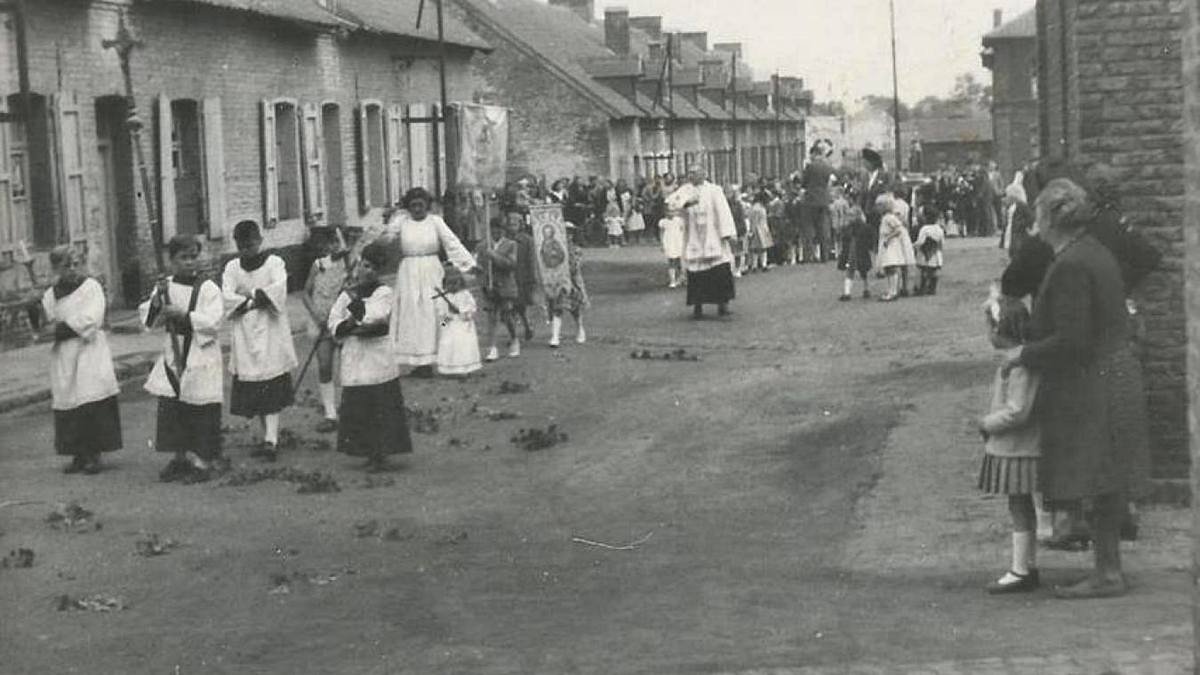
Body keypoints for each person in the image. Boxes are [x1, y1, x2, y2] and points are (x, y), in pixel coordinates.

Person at [1000, 178, 1150, 599]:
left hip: (1093, 382)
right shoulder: (1093, 252)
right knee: (1108, 478)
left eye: (1038, 216)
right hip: (1114, 373)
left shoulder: (1069, 264)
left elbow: (1073, 340)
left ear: (1051, 219)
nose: (1035, 226)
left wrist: (1022, 353)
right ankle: (1108, 569)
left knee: (1099, 477)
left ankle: (1107, 574)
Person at [142, 235, 224, 483]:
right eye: (183, 258)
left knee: (201, 406)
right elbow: (150, 321)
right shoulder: (165, 286)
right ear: (171, 260)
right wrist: (158, 301)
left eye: (193, 257)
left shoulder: (207, 288)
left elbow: (213, 322)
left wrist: (184, 315)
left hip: (200, 352)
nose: (189, 262)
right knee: (173, 405)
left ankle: (202, 461)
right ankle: (180, 457)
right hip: (173, 350)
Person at [977, 284, 1042, 594]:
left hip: (1017, 447)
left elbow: (1017, 411)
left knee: (1018, 506)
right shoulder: (1017, 360)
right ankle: (1027, 564)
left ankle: (1020, 569)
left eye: (990, 327)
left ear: (1001, 329)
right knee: (1022, 506)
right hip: (1017, 445)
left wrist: (987, 423)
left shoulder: (1018, 365)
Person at [373, 187, 476, 378]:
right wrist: (385, 226)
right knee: (412, 315)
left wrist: (469, 264)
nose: (417, 209)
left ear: (427, 205)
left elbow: (451, 242)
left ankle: (444, 357)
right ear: (408, 207)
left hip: (432, 271)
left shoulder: (435, 221)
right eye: (413, 205)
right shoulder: (402, 222)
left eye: (421, 205)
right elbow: (385, 240)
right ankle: (420, 362)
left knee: (436, 313)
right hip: (409, 273)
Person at [329, 241, 412, 472]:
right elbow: (334, 320)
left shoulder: (384, 293)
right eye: (364, 265)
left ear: (379, 271)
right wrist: (348, 324)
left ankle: (380, 454)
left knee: (379, 405)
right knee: (359, 405)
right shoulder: (346, 295)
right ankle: (366, 451)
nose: (367, 271)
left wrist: (357, 315)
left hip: (376, 358)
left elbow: (375, 317)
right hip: (356, 356)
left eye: (373, 268)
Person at [42, 245, 122, 474]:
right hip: (64, 354)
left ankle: (93, 453)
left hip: (88, 350)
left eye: (77, 264)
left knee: (90, 398)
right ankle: (77, 453)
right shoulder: (51, 294)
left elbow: (92, 319)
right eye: (66, 265)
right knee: (69, 400)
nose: (73, 269)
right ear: (56, 269)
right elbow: (48, 319)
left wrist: (59, 329)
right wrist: (46, 322)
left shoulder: (91, 288)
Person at [223, 220, 298, 462]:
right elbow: (226, 296)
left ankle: (271, 439)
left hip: (270, 330)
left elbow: (278, 289)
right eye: (242, 246)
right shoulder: (232, 267)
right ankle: (267, 435)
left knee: (270, 382)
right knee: (254, 385)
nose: (247, 250)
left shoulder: (274, 263)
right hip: (244, 333)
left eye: (251, 245)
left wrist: (251, 296)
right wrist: (251, 301)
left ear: (260, 241)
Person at [302, 227, 349, 432]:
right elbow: (305, 293)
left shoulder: (350, 264)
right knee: (324, 365)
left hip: (342, 321)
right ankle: (330, 413)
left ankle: (350, 409)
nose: (335, 246)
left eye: (339, 241)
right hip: (321, 321)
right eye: (332, 242)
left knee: (348, 365)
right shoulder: (319, 265)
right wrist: (316, 315)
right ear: (326, 245)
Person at [681, 167, 738, 319]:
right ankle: (697, 305)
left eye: (694, 173)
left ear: (703, 174)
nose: (691, 175)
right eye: (689, 173)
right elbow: (673, 206)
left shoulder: (714, 190)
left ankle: (723, 305)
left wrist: (727, 233)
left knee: (720, 270)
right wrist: (685, 206)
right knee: (696, 272)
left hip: (713, 235)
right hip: (695, 235)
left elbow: (723, 211)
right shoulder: (685, 191)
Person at [476, 216, 520, 361]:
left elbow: (511, 264)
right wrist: (480, 275)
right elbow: (479, 265)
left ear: (503, 230)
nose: (497, 232)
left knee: (507, 316)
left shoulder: (511, 244)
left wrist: (494, 256)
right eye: (494, 229)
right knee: (492, 317)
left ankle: (514, 339)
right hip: (489, 286)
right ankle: (492, 347)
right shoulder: (483, 245)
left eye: (500, 229)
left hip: (505, 286)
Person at [547, 222, 590, 347]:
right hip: (558, 281)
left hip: (573, 281)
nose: (568, 235)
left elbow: (575, 266)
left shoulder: (576, 249)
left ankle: (580, 328)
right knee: (557, 308)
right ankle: (555, 336)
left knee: (575, 309)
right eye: (566, 232)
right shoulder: (554, 248)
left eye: (570, 232)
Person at [435, 264, 482, 377]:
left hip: (463, 326)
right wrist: (447, 318)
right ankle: (449, 369)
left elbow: (472, 309)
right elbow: (441, 318)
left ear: (461, 282)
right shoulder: (443, 298)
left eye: (455, 283)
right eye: (449, 284)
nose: (452, 286)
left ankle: (464, 368)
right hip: (450, 327)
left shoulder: (465, 294)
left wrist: (461, 312)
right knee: (449, 346)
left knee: (463, 346)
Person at [800, 141, 835, 262]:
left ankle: (809, 255)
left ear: (814, 153)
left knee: (809, 227)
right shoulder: (827, 166)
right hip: (824, 199)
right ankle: (825, 255)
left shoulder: (810, 166)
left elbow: (804, 182)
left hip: (811, 199)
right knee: (824, 227)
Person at [508, 212, 538, 342]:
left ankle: (527, 325)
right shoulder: (505, 239)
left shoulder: (527, 240)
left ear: (520, 225)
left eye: (514, 224)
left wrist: (532, 279)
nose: (511, 227)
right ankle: (513, 335)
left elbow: (531, 261)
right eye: (509, 224)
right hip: (508, 277)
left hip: (522, 278)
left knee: (521, 306)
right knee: (509, 308)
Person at [838, 203, 874, 301]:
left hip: (859, 251)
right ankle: (848, 292)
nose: (849, 217)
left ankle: (864, 288)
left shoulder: (863, 227)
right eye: (849, 215)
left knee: (862, 271)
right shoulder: (849, 228)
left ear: (858, 215)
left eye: (852, 215)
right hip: (852, 252)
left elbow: (869, 240)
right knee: (851, 271)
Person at [874, 194, 906, 302]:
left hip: (890, 245)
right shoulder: (884, 218)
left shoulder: (889, 218)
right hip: (886, 245)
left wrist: (888, 238)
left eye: (879, 205)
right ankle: (891, 290)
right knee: (888, 269)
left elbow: (899, 229)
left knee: (892, 268)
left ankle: (893, 291)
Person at [660, 174, 687, 288]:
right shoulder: (672, 197)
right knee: (674, 257)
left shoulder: (688, 195)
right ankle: (675, 278)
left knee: (683, 256)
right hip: (674, 229)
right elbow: (667, 207)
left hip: (682, 226)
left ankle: (683, 276)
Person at [913, 206, 945, 296]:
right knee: (934, 271)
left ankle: (922, 288)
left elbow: (920, 242)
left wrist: (913, 245)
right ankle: (932, 288)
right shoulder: (939, 229)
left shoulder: (924, 229)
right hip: (936, 253)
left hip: (925, 253)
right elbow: (942, 243)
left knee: (924, 271)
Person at [1000, 183, 1035, 259]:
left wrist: (1020, 224)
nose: (1006, 197)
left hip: (1018, 236)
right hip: (1011, 234)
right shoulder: (1010, 207)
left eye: (1007, 195)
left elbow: (1031, 219)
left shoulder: (1022, 206)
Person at [746, 191, 774, 272]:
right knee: (760, 248)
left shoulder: (755, 208)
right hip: (759, 229)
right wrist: (752, 231)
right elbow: (755, 221)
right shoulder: (757, 208)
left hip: (760, 229)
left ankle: (756, 265)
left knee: (757, 248)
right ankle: (761, 265)